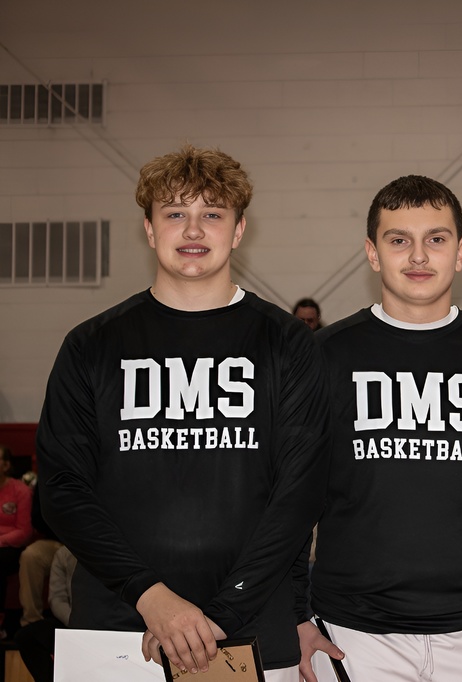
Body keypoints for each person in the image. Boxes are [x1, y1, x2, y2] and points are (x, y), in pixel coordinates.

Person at [35, 144, 330, 680]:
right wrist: (153, 599)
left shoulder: (288, 343)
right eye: (175, 214)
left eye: (212, 215)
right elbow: (61, 489)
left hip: (248, 628)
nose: (193, 230)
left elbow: (300, 493)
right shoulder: (91, 345)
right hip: (118, 627)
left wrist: (222, 616)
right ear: (149, 229)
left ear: (238, 230)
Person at [296, 175, 462, 682]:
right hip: (354, 633)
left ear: (461, 252)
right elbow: (291, 500)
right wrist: (294, 614)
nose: (418, 256)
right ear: (372, 253)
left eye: (436, 238)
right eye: (398, 240)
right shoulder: (325, 356)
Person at [14, 545, 76, 682]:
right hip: (71, 620)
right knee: (26, 637)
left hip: (102, 622)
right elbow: (57, 598)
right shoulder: (63, 554)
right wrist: (74, 621)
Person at [17, 486, 63, 629]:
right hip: (52, 539)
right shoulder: (45, 478)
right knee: (30, 556)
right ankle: (32, 622)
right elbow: (36, 518)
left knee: (71, 558)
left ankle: (75, 624)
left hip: (82, 543)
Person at [0, 444, 33, 638]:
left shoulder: (20, 490)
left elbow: (24, 532)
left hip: (11, 547)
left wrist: (1, 540)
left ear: (5, 465)